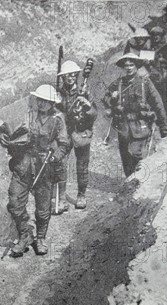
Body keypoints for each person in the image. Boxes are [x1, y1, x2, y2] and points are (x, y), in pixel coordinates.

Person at [0, 84, 70, 257]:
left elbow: (64, 143)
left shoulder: (58, 120)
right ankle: (24, 235)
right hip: (23, 163)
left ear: (52, 103)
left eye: (46, 101)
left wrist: (56, 156)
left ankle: (41, 238)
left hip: (45, 167)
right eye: (40, 100)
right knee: (15, 203)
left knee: (43, 208)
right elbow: (3, 130)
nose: (42, 103)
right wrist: (3, 137)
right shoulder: (27, 115)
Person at [103, 53, 167, 178]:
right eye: (126, 65)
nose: (128, 68)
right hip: (123, 127)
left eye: (131, 65)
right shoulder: (118, 83)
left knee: (137, 155)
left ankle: (138, 186)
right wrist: (112, 99)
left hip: (140, 125)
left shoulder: (145, 83)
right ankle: (129, 185)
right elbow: (105, 99)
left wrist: (164, 126)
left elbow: (157, 103)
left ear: (137, 66)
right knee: (126, 159)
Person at [56, 60, 97, 210]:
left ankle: (81, 195)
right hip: (64, 132)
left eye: (73, 74)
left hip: (81, 131)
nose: (71, 77)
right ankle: (61, 199)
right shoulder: (58, 93)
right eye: (67, 75)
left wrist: (87, 105)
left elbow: (94, 114)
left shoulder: (84, 91)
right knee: (60, 165)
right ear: (62, 77)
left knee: (82, 165)